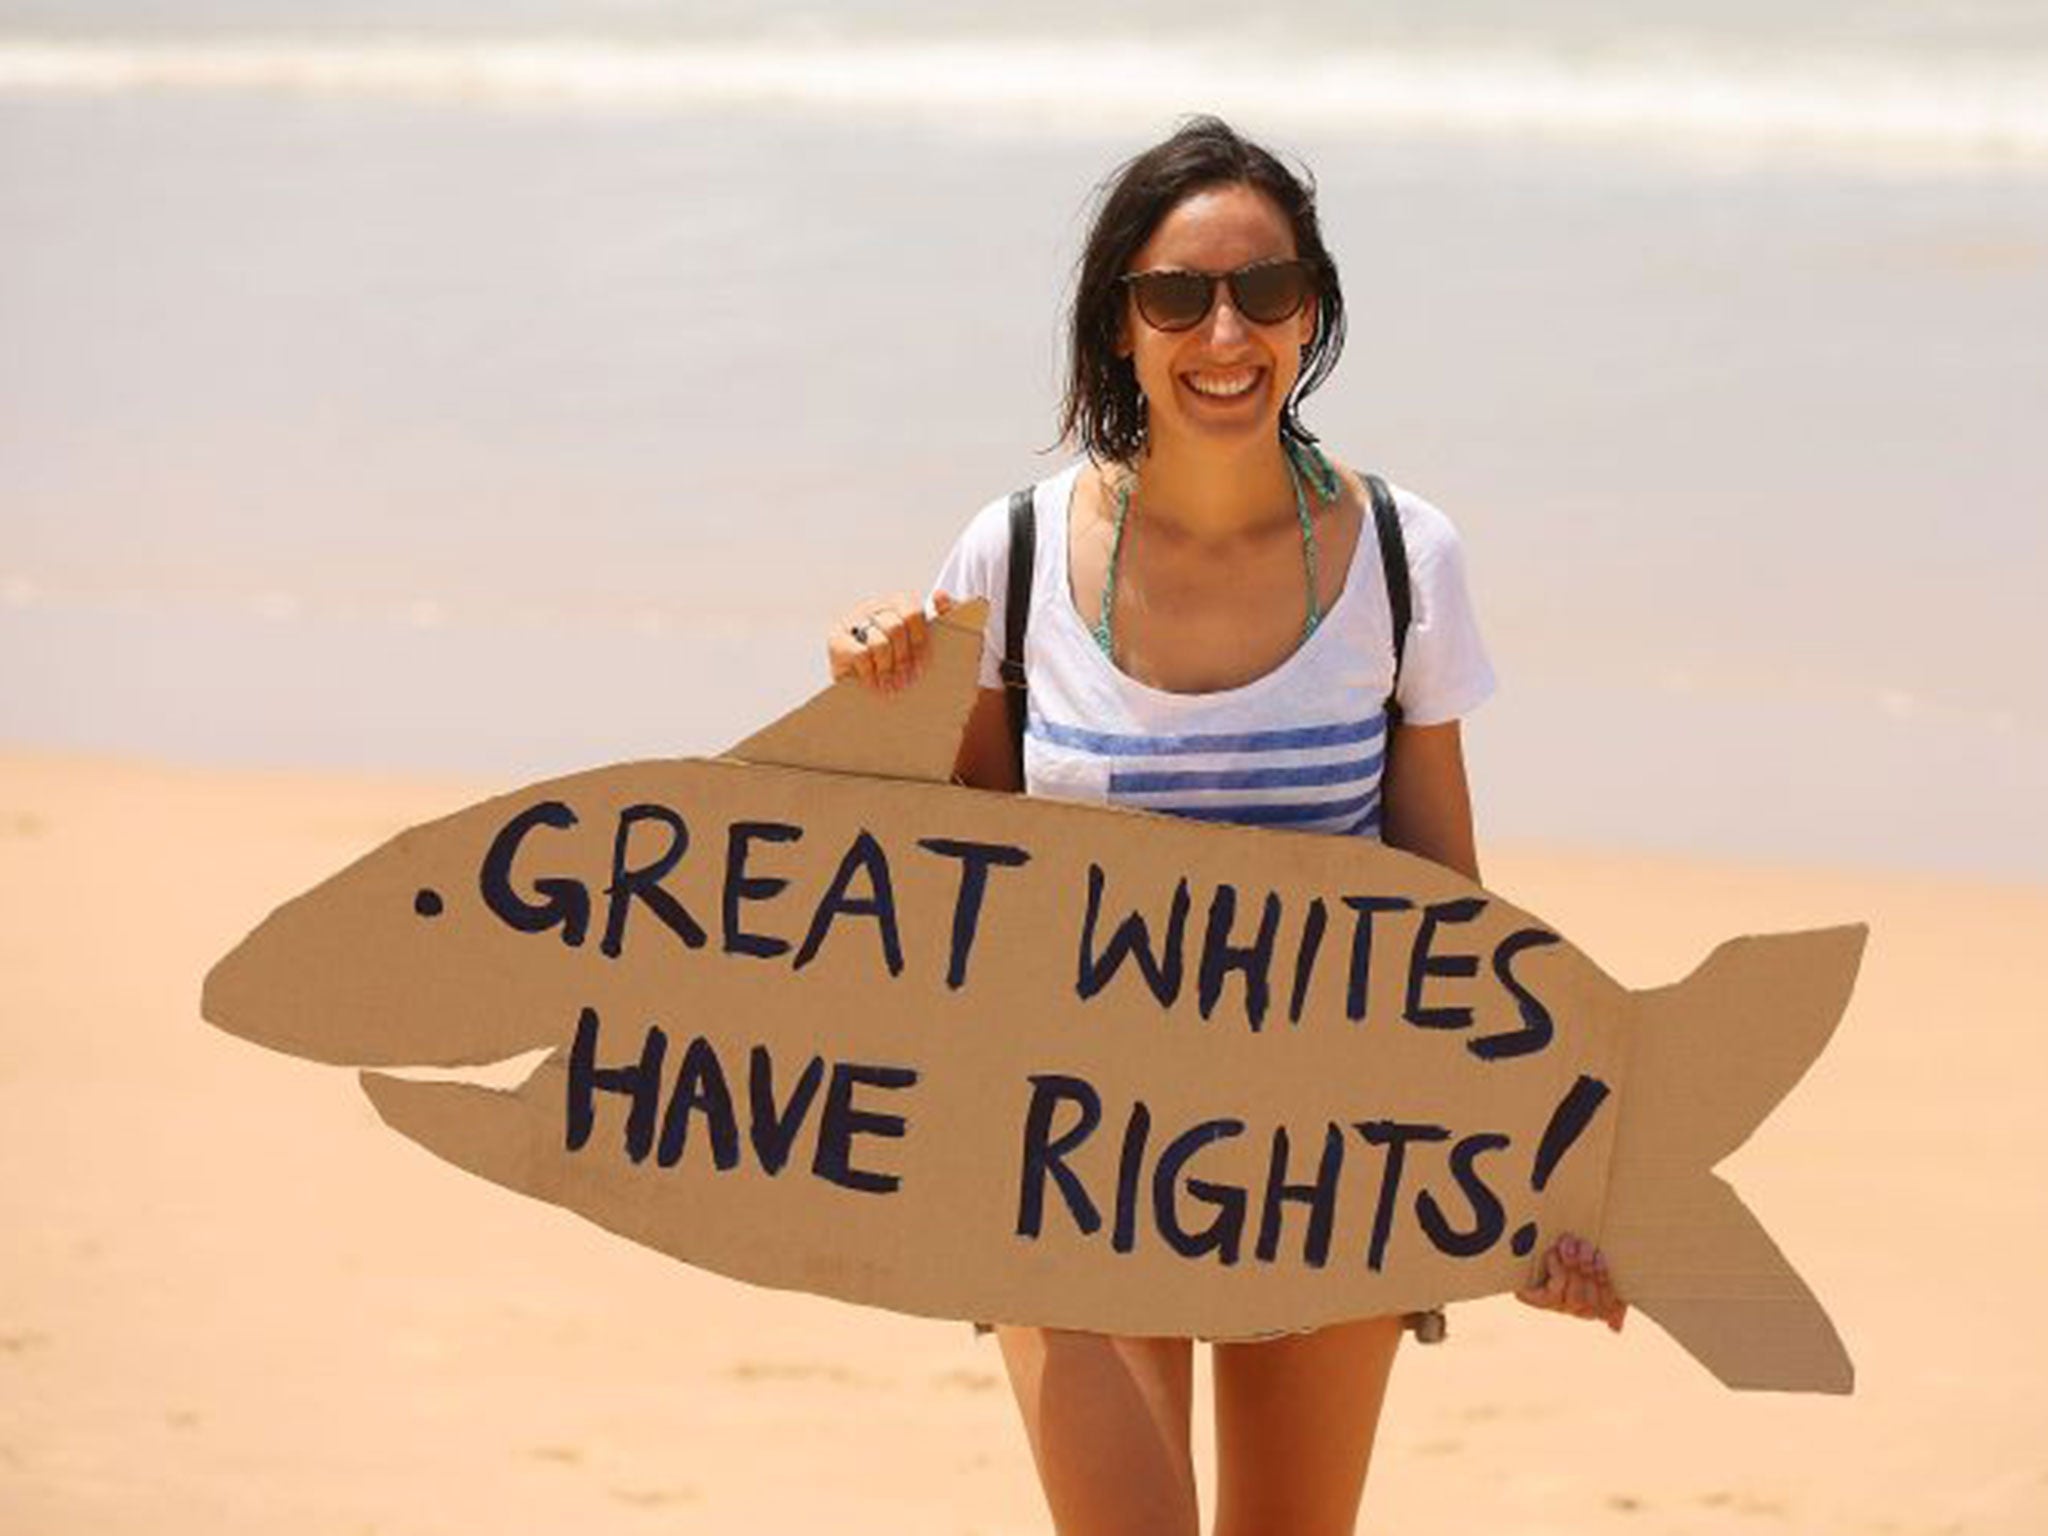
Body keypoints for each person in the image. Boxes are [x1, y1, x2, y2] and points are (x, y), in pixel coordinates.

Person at [827, 116, 1624, 1536]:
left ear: (1310, 312)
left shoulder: (1397, 554)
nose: (1223, 331)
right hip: (1062, 1156)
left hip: (1329, 1157)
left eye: (1264, 291)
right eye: (1175, 295)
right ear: (1118, 321)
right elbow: (944, 892)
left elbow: (1451, 909)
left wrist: (1546, 1173)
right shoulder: (1008, 557)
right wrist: (883, 694)